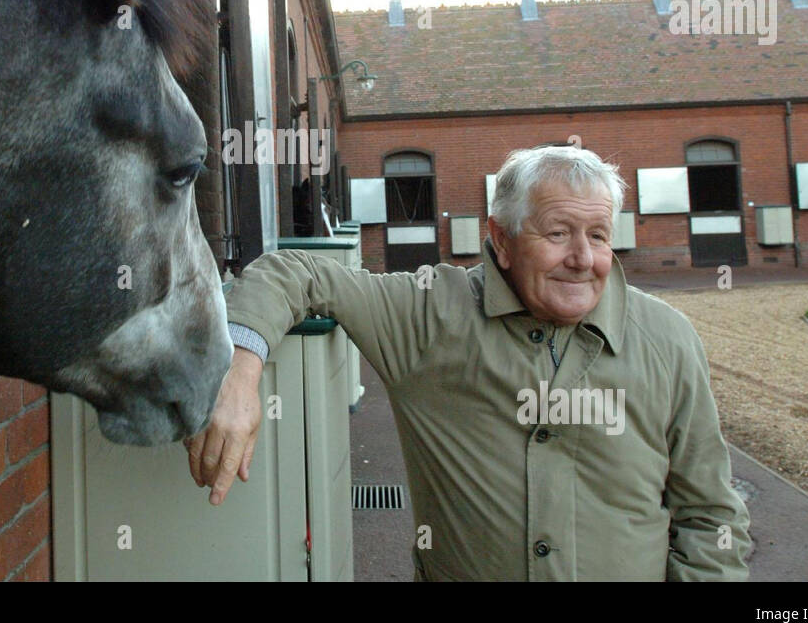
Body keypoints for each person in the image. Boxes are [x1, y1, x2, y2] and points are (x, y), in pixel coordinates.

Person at [185, 145, 750, 580]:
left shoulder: (669, 341)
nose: (584, 259)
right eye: (558, 234)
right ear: (500, 241)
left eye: (599, 235)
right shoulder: (433, 313)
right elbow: (296, 272)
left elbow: (711, 516)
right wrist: (239, 370)